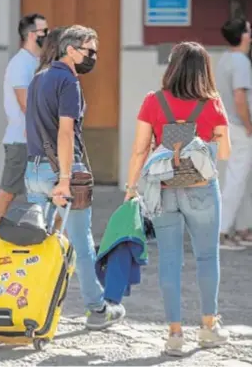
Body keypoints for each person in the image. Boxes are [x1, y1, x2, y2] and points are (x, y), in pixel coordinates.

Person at [125, 42, 231, 356]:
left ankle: (174, 334)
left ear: (171, 67)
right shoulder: (212, 104)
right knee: (206, 257)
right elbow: (224, 153)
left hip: (163, 188)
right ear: (203, 70)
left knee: (170, 260)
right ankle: (209, 328)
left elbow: (140, 149)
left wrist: (131, 189)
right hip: (201, 189)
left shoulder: (153, 101)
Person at [24, 25, 125, 330]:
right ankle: (97, 310)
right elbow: (65, 133)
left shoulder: (39, 78)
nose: (93, 56)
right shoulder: (68, 81)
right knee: (82, 242)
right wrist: (65, 178)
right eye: (89, 50)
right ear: (70, 50)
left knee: (37, 242)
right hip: (63, 174)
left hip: (34, 171)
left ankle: (29, 305)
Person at [0, 13, 48, 263]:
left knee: (38, 194)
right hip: (21, 141)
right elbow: (26, 104)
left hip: (32, 140)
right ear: (32, 35)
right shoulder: (21, 64)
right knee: (8, 193)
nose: (47, 35)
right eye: (44, 30)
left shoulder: (35, 62)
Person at [216, 18, 252, 249]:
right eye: (249, 31)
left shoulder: (225, 59)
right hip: (241, 127)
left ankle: (242, 228)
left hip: (228, 125)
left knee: (244, 179)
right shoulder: (240, 61)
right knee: (237, 180)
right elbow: (240, 97)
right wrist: (249, 125)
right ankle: (222, 231)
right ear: (242, 36)